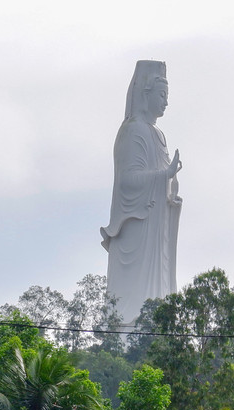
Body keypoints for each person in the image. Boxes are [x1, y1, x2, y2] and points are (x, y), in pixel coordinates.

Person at [101, 60, 182, 324]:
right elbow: (127, 180)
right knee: (132, 300)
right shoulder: (132, 130)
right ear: (145, 94)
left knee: (159, 293)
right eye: (161, 95)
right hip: (138, 224)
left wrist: (171, 190)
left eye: (167, 97)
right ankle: (125, 332)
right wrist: (164, 175)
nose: (166, 103)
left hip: (157, 224)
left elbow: (164, 176)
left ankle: (158, 328)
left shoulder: (159, 135)